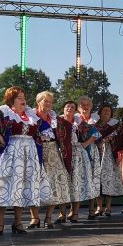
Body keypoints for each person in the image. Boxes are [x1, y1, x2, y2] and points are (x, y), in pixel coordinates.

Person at [0, 86, 51, 235]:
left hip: (29, 155)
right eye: (19, 98)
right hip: (10, 153)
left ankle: (18, 223)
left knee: (21, 186)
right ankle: (0, 224)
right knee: (3, 185)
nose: (23, 101)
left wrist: (39, 138)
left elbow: (46, 129)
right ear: (11, 100)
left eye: (24, 98)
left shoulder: (31, 114)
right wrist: (0, 137)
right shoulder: (4, 112)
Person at [32, 91, 72, 229]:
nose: (48, 104)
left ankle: (48, 217)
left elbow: (64, 133)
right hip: (35, 150)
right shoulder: (31, 116)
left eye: (50, 101)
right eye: (46, 101)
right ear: (38, 102)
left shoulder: (55, 118)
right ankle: (35, 218)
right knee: (35, 183)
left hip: (53, 152)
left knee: (55, 183)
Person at [57, 100, 99, 223]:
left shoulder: (79, 123)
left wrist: (85, 144)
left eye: (72, 107)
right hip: (63, 153)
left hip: (77, 155)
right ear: (63, 109)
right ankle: (62, 213)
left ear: (75, 110)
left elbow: (96, 133)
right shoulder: (58, 121)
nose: (69, 108)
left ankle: (74, 213)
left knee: (76, 183)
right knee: (63, 183)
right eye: (67, 106)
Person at [94, 104, 123, 217]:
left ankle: (108, 207)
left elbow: (120, 139)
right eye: (104, 110)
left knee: (109, 179)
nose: (106, 112)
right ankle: (99, 206)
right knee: (97, 179)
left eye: (108, 111)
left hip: (110, 154)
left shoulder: (115, 125)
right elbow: (92, 139)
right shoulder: (94, 125)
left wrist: (111, 139)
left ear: (111, 114)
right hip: (97, 153)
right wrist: (100, 140)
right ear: (100, 113)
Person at [76, 96, 101, 219]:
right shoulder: (75, 119)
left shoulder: (95, 119)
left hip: (91, 150)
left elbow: (97, 135)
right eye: (82, 105)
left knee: (92, 179)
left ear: (91, 107)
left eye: (87, 105)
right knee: (77, 179)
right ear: (78, 107)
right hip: (77, 151)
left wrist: (87, 143)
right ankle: (74, 211)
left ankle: (92, 209)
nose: (85, 107)